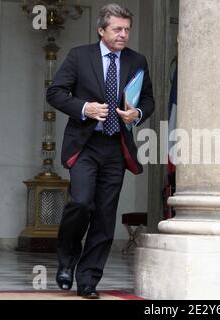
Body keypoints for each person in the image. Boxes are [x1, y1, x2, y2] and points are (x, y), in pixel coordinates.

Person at [46, 3, 154, 299]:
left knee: (105, 216)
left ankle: (89, 279)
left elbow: (148, 99)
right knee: (81, 203)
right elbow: (55, 93)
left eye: (127, 29)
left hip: (116, 147)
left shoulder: (137, 60)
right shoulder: (80, 56)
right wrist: (84, 108)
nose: (123, 35)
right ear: (101, 30)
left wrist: (138, 113)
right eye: (117, 29)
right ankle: (66, 262)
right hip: (85, 145)